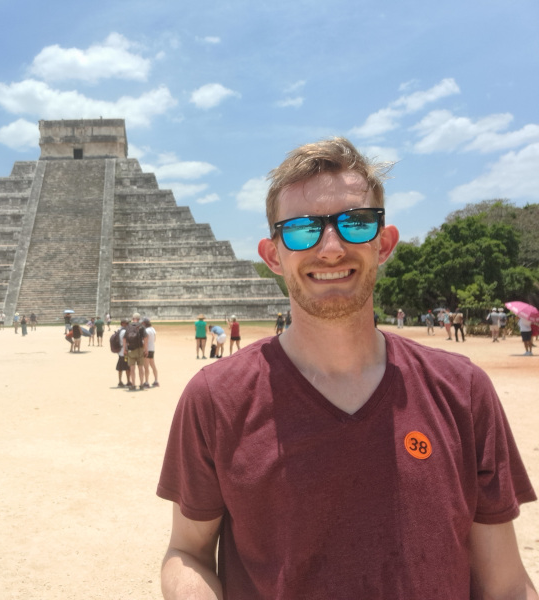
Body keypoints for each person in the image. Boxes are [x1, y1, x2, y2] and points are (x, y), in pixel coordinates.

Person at [157, 137, 537, 599]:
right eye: (301, 229)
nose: (332, 248)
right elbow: (188, 551)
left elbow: (505, 581)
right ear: (273, 255)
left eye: (356, 223)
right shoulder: (216, 398)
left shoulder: (462, 390)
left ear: (385, 242)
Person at [124, 313, 148, 389]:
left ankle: (133, 384)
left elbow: (124, 339)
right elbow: (145, 338)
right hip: (139, 349)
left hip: (131, 349)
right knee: (141, 368)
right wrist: (145, 349)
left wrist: (125, 349)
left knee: (132, 368)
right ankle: (141, 384)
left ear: (132, 318)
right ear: (139, 319)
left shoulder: (128, 327)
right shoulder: (141, 327)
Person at [142, 317, 159, 387]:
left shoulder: (146, 331)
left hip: (147, 349)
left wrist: (145, 349)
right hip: (152, 348)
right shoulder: (152, 329)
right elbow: (154, 339)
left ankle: (146, 381)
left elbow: (145, 341)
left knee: (146, 366)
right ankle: (156, 380)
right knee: (153, 365)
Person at [115, 318, 129, 387]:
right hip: (125, 353)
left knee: (120, 367)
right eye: (127, 323)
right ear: (123, 324)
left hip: (120, 352)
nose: (128, 325)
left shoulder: (119, 330)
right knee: (127, 367)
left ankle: (120, 381)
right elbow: (125, 341)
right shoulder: (124, 331)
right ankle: (128, 381)